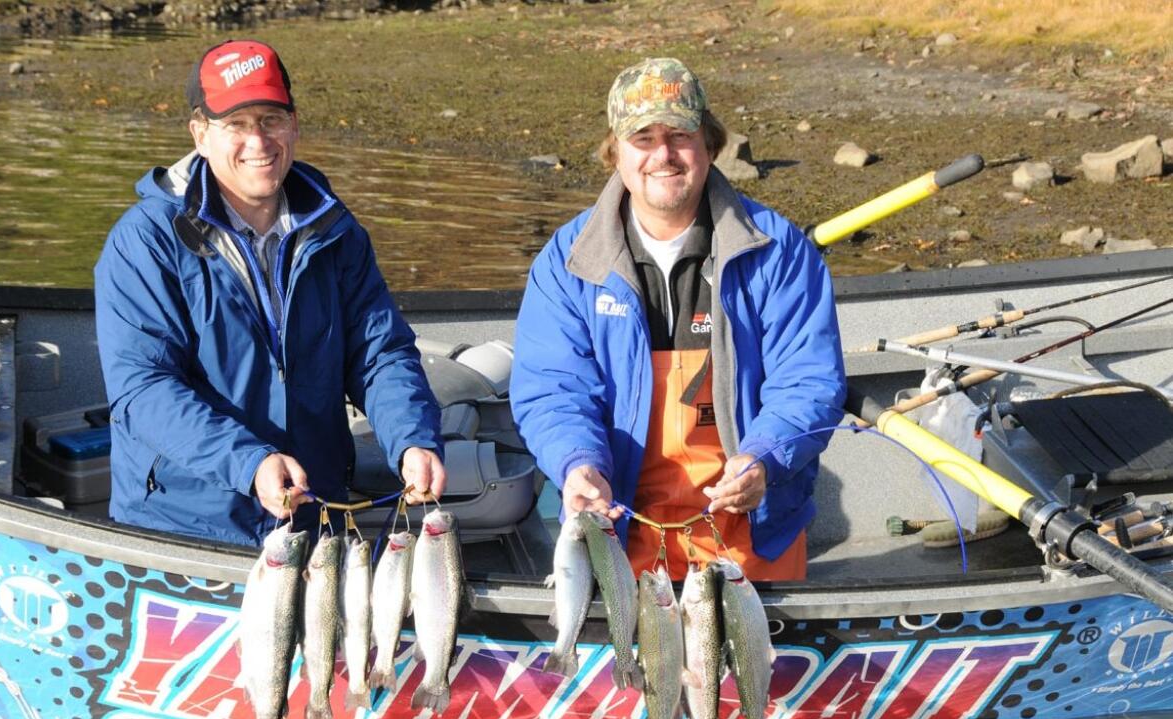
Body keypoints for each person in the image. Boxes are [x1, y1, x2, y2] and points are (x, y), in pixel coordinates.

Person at [95, 40, 445, 546]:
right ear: (200, 134)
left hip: (313, 516)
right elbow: (142, 389)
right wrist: (250, 462)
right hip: (182, 527)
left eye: (271, 119)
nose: (258, 141)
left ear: (295, 125)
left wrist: (412, 439)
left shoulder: (338, 232)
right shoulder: (145, 240)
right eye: (236, 124)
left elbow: (380, 354)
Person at [510, 57, 846, 581]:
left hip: (750, 534)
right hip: (617, 533)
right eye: (642, 138)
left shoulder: (778, 250)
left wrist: (764, 459)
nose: (663, 155)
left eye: (680, 135)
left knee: (757, 666)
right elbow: (552, 389)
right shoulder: (567, 261)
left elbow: (808, 381)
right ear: (614, 152)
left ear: (709, 145)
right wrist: (578, 464)